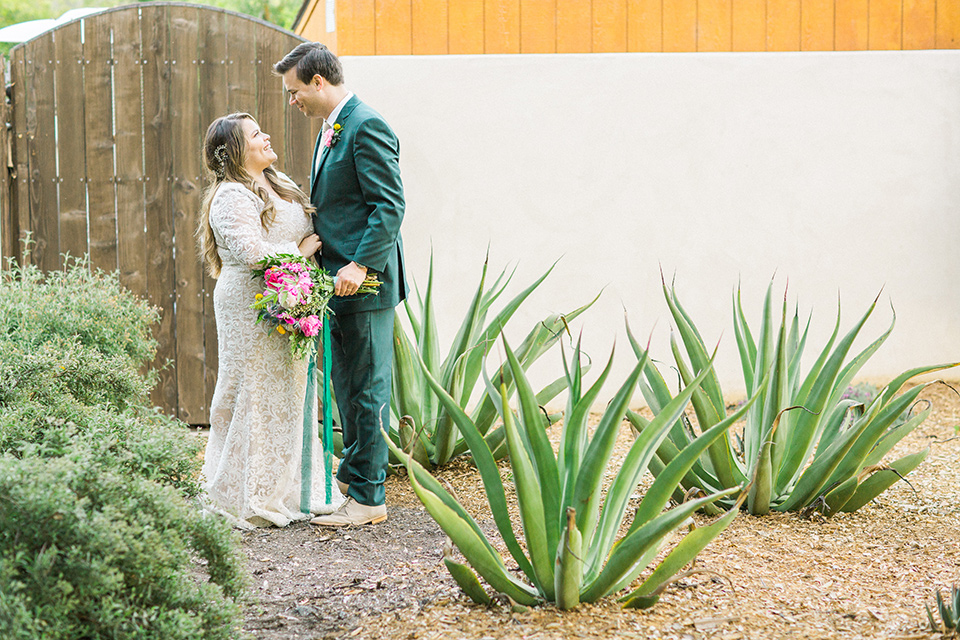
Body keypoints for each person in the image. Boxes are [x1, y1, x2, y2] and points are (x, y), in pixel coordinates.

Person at [274, 43, 407, 527]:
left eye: (294, 92)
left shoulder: (365, 124)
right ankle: (353, 474)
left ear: (317, 82)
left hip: (364, 284)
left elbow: (389, 205)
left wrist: (360, 265)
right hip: (336, 283)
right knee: (348, 385)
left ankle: (370, 499)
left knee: (367, 389)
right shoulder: (332, 129)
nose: (293, 102)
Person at [197, 112, 344, 529]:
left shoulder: (280, 183)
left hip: (290, 299)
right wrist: (299, 253)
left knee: (289, 390)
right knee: (252, 389)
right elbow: (250, 252)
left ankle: (293, 488)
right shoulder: (231, 195)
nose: (266, 137)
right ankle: (247, 491)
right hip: (249, 304)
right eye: (256, 134)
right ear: (236, 150)